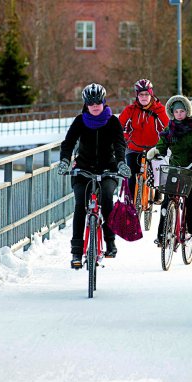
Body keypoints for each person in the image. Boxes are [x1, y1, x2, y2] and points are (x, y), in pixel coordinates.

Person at [58, 83, 131, 269]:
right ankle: (76, 252)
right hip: (83, 169)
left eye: (98, 102)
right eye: (91, 103)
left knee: (107, 199)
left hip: (108, 168)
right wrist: (65, 161)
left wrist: (121, 163)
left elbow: (119, 144)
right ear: (86, 104)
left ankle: (110, 242)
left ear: (104, 102)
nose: (95, 106)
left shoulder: (113, 122)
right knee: (80, 205)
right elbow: (68, 143)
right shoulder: (80, 121)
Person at [146, 95, 192, 245]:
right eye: (176, 112)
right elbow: (162, 145)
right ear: (172, 113)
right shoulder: (169, 129)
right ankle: (162, 236)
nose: (179, 114)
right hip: (176, 168)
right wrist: (156, 151)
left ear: (187, 111)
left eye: (182, 111)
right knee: (167, 199)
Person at [118, 79, 169, 198]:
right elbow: (119, 126)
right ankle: (131, 206)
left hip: (154, 148)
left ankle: (157, 192)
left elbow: (168, 128)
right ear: (137, 95)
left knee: (158, 176)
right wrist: (126, 138)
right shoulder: (130, 110)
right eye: (141, 94)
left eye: (146, 94)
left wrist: (165, 142)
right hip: (134, 148)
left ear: (151, 94)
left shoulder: (159, 109)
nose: (144, 97)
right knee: (131, 178)